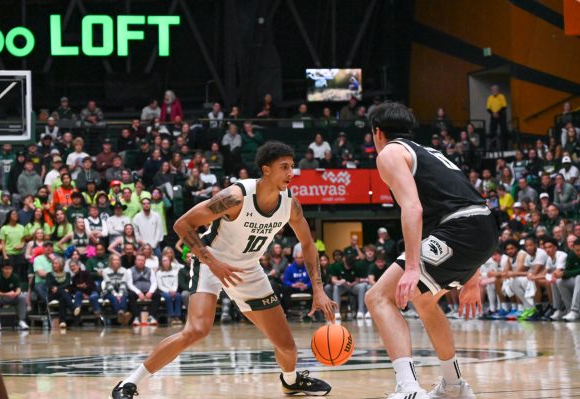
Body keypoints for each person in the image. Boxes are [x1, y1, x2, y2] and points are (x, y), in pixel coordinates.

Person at [111, 141, 336, 398]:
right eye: (284, 167)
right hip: (211, 261)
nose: (290, 173)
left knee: (287, 347)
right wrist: (212, 262)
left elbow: (307, 244)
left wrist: (318, 289)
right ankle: (129, 382)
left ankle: (291, 380)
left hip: (248, 269)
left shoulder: (290, 205)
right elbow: (183, 225)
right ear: (266, 170)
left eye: (292, 167)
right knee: (197, 329)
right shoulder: (235, 198)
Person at [365, 102, 498, 398]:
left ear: (377, 132)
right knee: (424, 301)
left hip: (459, 229)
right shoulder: (431, 153)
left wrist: (412, 268)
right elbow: (468, 202)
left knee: (378, 297)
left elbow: (413, 208)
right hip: (484, 228)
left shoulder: (390, 153)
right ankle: (454, 385)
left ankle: (409, 388)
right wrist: (473, 275)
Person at [124, 254, 161, 327]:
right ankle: (137, 317)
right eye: (139, 260)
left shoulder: (150, 270)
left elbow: (154, 282)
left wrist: (151, 291)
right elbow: (129, 284)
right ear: (135, 261)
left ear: (145, 262)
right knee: (130, 295)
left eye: (142, 260)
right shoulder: (129, 271)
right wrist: (138, 292)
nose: (140, 262)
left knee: (157, 295)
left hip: (148, 291)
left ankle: (151, 316)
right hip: (136, 291)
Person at [0, 262, 29, 331]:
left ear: (12, 269)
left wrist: (15, 294)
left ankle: (22, 321)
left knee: (22, 297)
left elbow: (18, 289)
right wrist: (6, 294)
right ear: (2, 269)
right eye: (6, 269)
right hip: (2, 297)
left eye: (10, 269)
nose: (8, 271)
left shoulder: (15, 277)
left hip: (13, 297)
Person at [486, 85, 508, 150]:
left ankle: (504, 147)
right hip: (493, 115)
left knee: (504, 131)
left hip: (501, 115)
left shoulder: (502, 96)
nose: (494, 91)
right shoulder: (489, 98)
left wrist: (497, 113)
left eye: (495, 90)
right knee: (492, 131)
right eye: (492, 90)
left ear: (498, 90)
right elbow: (488, 108)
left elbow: (504, 106)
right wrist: (493, 113)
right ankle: (493, 147)